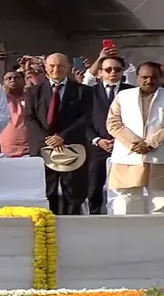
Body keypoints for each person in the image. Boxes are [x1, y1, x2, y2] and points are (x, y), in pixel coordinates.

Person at [24, 53, 93, 215]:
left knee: (74, 193)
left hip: (72, 147)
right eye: (52, 66)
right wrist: (47, 140)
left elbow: (86, 118)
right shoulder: (34, 92)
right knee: (46, 192)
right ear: (45, 68)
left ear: (68, 67)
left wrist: (62, 137)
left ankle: (73, 228)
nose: (56, 70)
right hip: (43, 148)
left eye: (60, 66)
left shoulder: (83, 91)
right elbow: (29, 119)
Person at [107, 62, 164, 214]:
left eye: (154, 77)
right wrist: (134, 143)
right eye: (145, 77)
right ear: (137, 78)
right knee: (127, 199)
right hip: (127, 156)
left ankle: (158, 236)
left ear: (160, 78)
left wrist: (151, 143)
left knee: (161, 200)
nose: (149, 81)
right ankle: (127, 236)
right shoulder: (123, 96)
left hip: (159, 157)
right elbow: (113, 123)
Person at [84, 56, 134, 214]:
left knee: (125, 187)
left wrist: (122, 140)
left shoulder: (132, 91)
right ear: (100, 72)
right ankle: (94, 216)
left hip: (124, 146)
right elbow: (83, 121)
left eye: (117, 69)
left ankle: (124, 215)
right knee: (94, 186)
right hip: (97, 146)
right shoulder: (89, 93)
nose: (113, 72)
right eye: (108, 69)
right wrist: (97, 140)